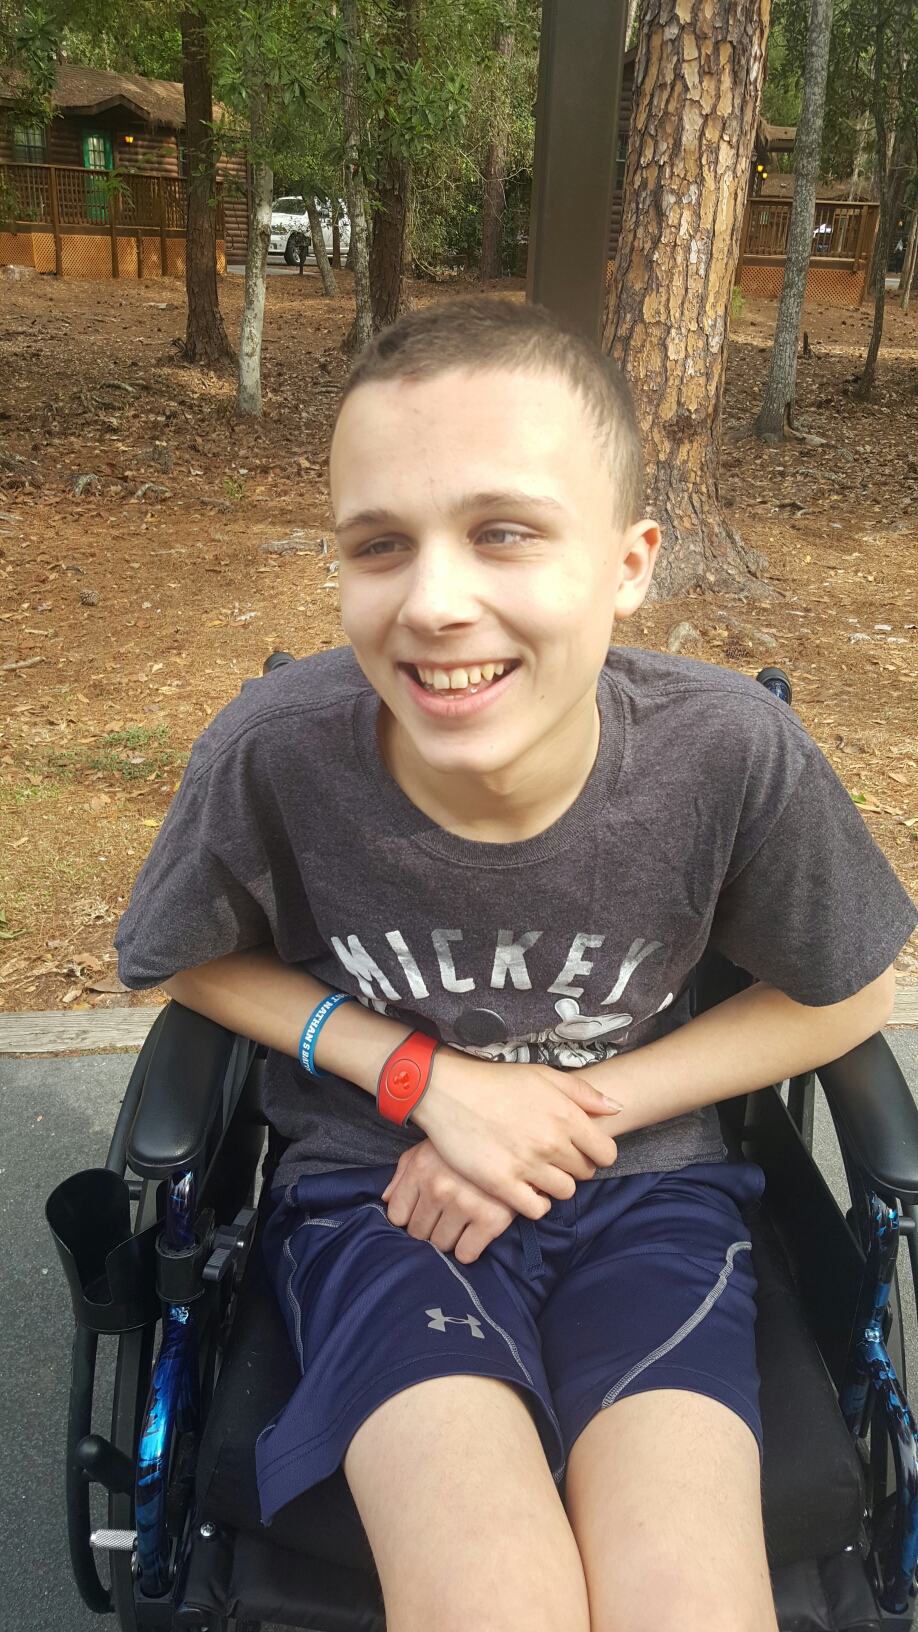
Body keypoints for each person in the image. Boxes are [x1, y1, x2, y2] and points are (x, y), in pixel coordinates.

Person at [116, 298, 916, 1632]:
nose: (434, 603)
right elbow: (183, 960)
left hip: (650, 1193)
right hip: (376, 1198)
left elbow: (850, 989)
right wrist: (426, 1080)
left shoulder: (725, 754)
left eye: (503, 531)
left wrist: (558, 1111)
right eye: (380, 544)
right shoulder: (278, 751)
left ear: (629, 562)